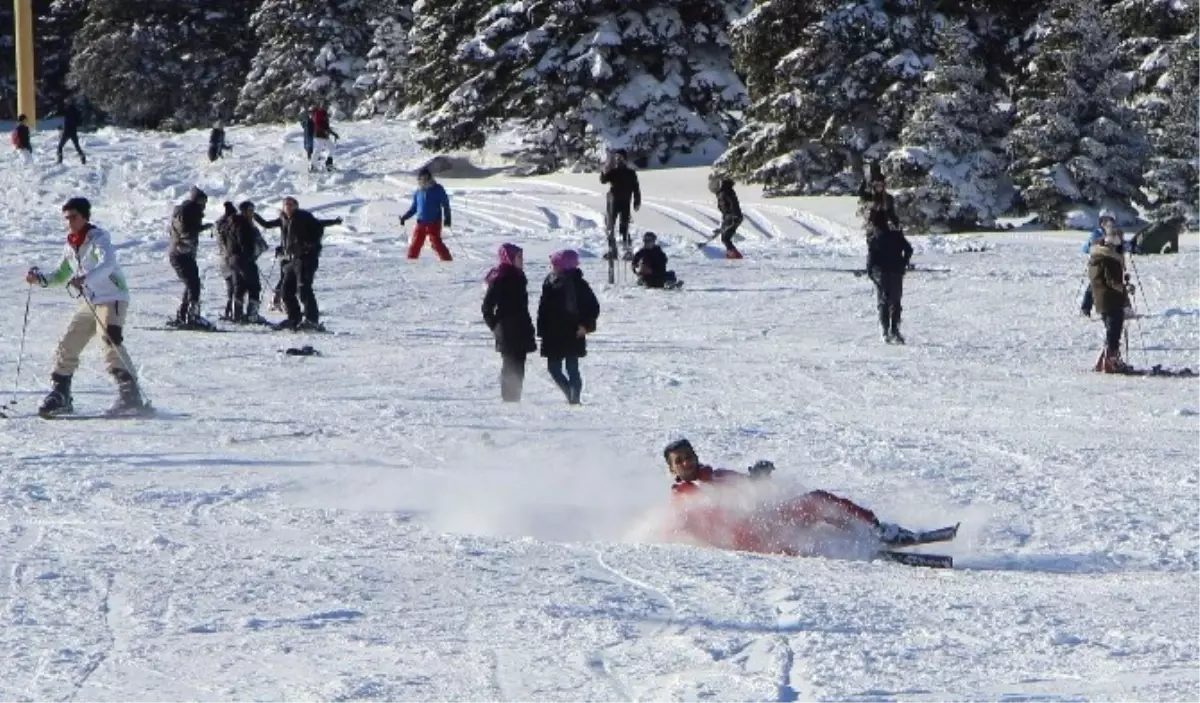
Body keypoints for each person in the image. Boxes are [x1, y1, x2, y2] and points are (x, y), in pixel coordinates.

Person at [661, 438, 917, 555]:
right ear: (672, 469)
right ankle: (864, 541)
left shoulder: (717, 476)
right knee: (814, 504)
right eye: (679, 461)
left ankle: (872, 530)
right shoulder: (683, 496)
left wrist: (757, 477)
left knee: (818, 500)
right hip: (750, 537)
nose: (687, 462)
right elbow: (687, 523)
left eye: (689, 456)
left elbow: (750, 488)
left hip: (764, 523)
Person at [24, 197, 145, 417]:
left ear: (85, 217)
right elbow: (61, 274)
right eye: (67, 218)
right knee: (69, 342)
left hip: (112, 296)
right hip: (90, 300)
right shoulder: (70, 244)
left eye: (74, 217)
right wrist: (40, 279)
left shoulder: (98, 238)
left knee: (109, 338)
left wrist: (86, 278)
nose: (70, 222)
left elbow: (107, 264)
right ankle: (61, 393)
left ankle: (130, 394)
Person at [255, 197, 342, 330]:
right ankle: (294, 319)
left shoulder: (303, 216)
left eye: (291, 204)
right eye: (286, 205)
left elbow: (319, 226)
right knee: (286, 291)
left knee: (304, 289)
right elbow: (266, 224)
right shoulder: (283, 219)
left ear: (296, 206)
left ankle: (312, 320)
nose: (288, 207)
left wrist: (310, 245)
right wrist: (253, 215)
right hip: (291, 259)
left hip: (306, 259)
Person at [537, 249, 600, 405]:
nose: (552, 267)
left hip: (573, 332)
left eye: (555, 264)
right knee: (554, 369)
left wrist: (586, 326)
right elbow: (543, 309)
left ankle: (575, 399)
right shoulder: (549, 281)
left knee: (572, 368)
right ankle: (569, 394)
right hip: (553, 333)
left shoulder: (579, 284)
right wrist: (542, 330)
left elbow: (593, 307)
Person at [482, 243, 537, 402]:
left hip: (522, 327)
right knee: (510, 365)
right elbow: (487, 306)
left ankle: (515, 398)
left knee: (519, 364)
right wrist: (496, 326)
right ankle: (508, 400)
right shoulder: (501, 277)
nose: (522, 260)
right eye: (519, 256)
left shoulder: (519, 276)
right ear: (510, 257)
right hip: (507, 328)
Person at [166, 186, 215, 329]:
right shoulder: (189, 211)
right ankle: (192, 316)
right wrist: (202, 228)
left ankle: (184, 314)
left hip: (179, 252)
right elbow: (186, 231)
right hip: (181, 252)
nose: (204, 206)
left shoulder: (183, 210)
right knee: (193, 284)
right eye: (203, 202)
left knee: (191, 283)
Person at [1088, 228, 1134, 373]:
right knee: (1114, 331)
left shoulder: (1096, 257)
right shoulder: (1109, 259)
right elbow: (1112, 281)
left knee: (1110, 331)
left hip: (1101, 300)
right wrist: (1126, 286)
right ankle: (1110, 362)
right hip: (1111, 299)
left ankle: (1102, 361)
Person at [219, 201, 269, 323]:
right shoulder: (243, 224)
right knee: (254, 287)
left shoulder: (229, 223)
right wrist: (250, 255)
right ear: (244, 211)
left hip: (232, 260)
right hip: (244, 259)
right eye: (250, 210)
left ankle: (238, 315)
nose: (252, 213)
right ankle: (252, 316)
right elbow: (244, 243)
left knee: (239, 287)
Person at [866, 222, 913, 344]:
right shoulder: (898, 236)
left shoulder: (876, 236)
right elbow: (909, 249)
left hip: (881, 274)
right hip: (896, 272)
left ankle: (885, 331)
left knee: (883, 302)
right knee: (896, 302)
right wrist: (904, 262)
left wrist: (870, 271)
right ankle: (895, 330)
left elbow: (871, 256)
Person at [1079, 209, 1129, 318]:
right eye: (1103, 220)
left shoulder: (1116, 233)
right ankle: (1085, 309)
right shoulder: (1096, 233)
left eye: (1109, 220)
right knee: (1095, 283)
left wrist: (1125, 246)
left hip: (1114, 262)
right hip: (1099, 262)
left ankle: (1125, 307)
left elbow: (1124, 245)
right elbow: (1086, 247)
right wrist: (1091, 245)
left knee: (1118, 283)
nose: (1106, 223)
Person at [400, 167, 453, 261]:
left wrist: (447, 217)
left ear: (430, 178)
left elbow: (445, 204)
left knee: (436, 243)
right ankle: (411, 261)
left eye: (426, 178)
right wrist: (405, 217)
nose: (424, 180)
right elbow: (414, 208)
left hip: (434, 222)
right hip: (421, 223)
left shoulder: (437, 189)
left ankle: (447, 260)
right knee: (415, 243)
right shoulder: (418, 192)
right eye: (421, 178)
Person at [599, 149, 641, 260]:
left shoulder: (631, 173)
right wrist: (604, 171)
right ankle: (612, 250)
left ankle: (626, 250)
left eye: (620, 158)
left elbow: (636, 188)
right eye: (616, 157)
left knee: (624, 226)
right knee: (610, 226)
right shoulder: (613, 171)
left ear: (625, 160)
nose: (618, 160)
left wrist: (637, 201)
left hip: (625, 201)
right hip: (612, 201)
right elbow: (603, 180)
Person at [214, 202, 238, 319]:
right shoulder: (231, 225)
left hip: (222, 259)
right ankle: (234, 312)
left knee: (230, 286)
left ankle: (228, 310)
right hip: (232, 258)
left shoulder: (218, 224)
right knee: (237, 286)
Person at [711, 176, 743, 259]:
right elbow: (725, 210)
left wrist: (735, 216)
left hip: (734, 216)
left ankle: (735, 255)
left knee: (725, 238)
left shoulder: (726, 192)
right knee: (725, 237)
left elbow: (733, 204)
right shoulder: (722, 193)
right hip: (729, 217)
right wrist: (721, 227)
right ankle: (732, 253)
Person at [308, 105, 339, 172]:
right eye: (325, 104)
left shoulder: (324, 112)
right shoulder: (319, 112)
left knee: (332, 147)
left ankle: (329, 164)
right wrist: (324, 130)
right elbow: (317, 124)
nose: (326, 106)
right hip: (319, 135)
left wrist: (334, 134)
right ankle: (313, 166)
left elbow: (326, 126)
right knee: (318, 149)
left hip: (324, 135)